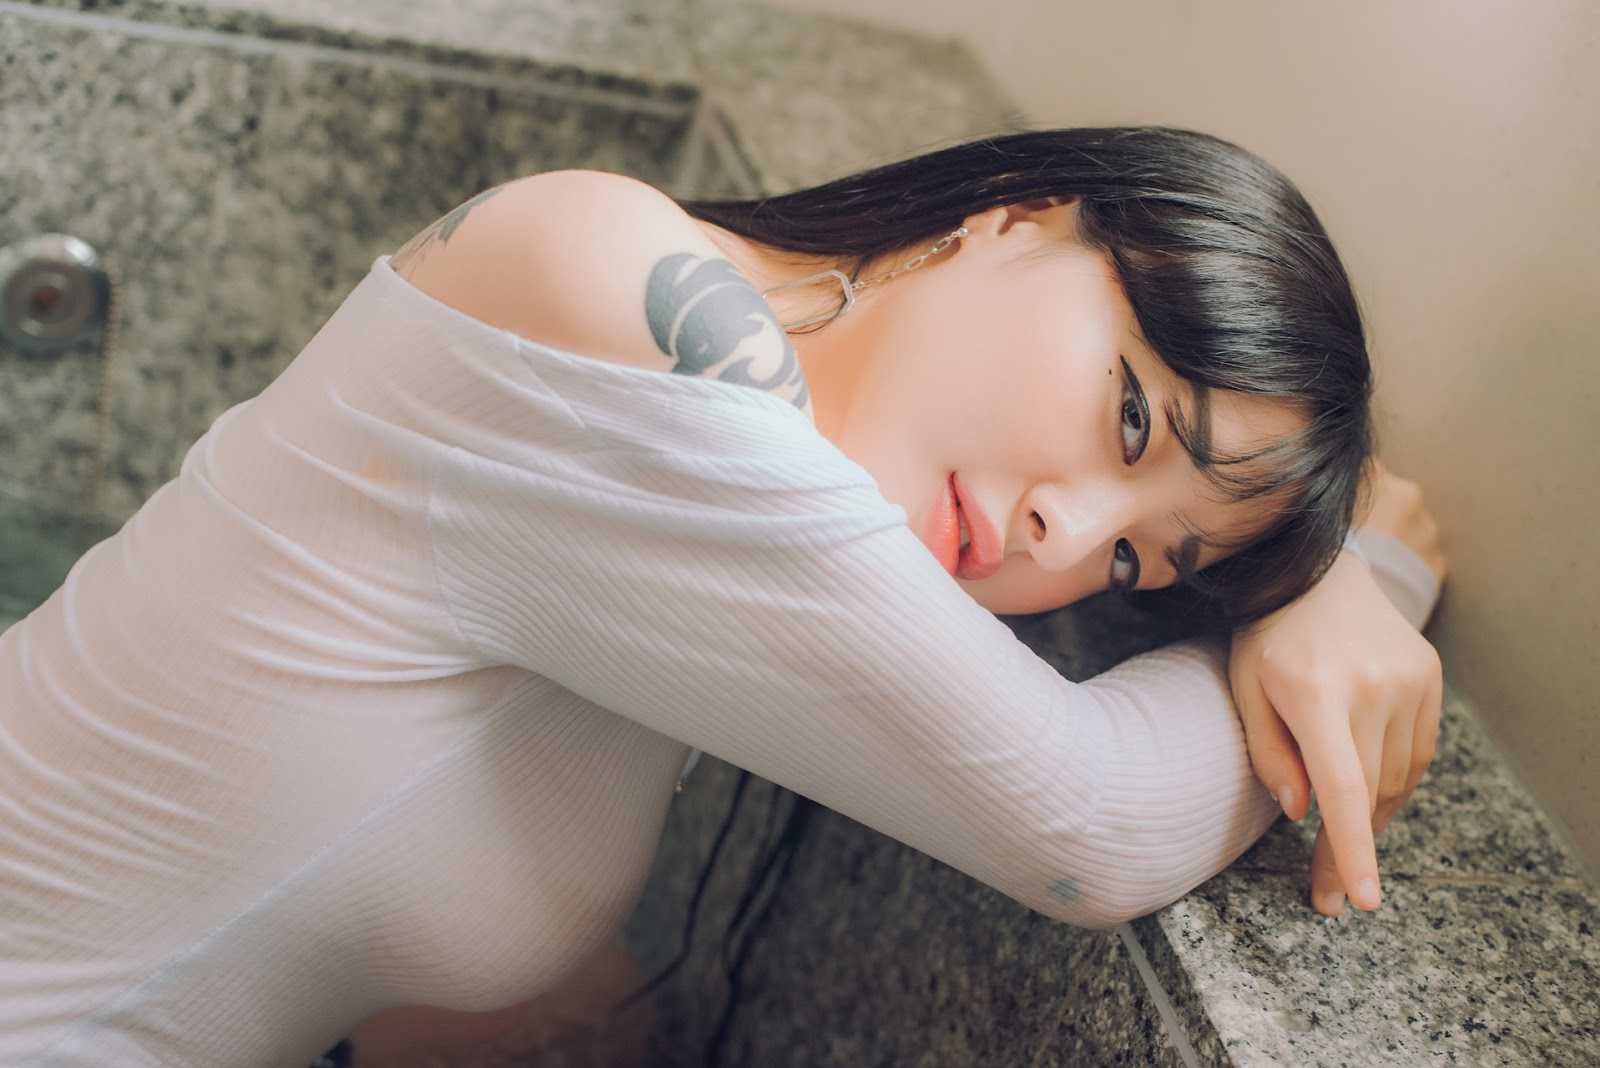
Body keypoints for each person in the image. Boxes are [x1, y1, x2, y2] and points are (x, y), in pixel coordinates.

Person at [0, 127, 1445, 1068]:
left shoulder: (736, 465)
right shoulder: (624, 299)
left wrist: (1294, 583)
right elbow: (1091, 829)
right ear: (1015, 221)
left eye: (1139, 561)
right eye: (1129, 417)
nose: (1063, 534)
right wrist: (1359, 587)